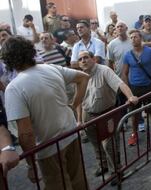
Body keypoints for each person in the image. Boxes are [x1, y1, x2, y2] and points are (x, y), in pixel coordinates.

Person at [3, 36, 89, 189]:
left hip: (48, 148)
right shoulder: (51, 68)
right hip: (70, 136)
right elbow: (83, 77)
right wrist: (73, 105)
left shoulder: (14, 88)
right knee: (79, 182)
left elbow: (26, 133)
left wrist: (31, 166)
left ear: (8, 60)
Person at [78, 50, 138, 183]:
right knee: (95, 143)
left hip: (107, 114)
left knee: (109, 145)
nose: (83, 61)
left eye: (86, 57)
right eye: (80, 59)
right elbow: (78, 101)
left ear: (93, 59)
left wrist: (130, 96)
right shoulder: (79, 76)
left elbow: (120, 84)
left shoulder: (104, 70)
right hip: (88, 114)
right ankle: (103, 165)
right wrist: (79, 120)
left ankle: (116, 171)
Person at [121, 30, 151, 145]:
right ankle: (134, 134)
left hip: (148, 86)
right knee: (134, 113)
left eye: (135, 37)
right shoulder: (127, 55)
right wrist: (128, 90)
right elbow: (124, 73)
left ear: (141, 38)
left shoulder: (149, 51)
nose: (133, 39)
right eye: (131, 37)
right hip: (135, 88)